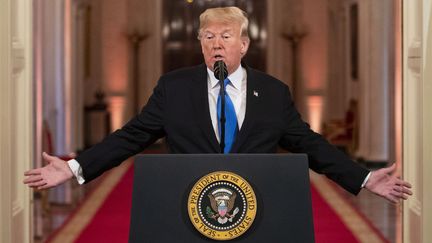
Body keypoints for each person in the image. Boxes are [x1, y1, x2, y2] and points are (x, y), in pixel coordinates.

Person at [24, 6, 412, 203]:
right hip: (189, 201)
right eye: (207, 37)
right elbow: (132, 136)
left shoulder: (273, 92)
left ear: (243, 44)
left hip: (256, 202)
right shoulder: (173, 88)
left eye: (225, 36)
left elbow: (309, 144)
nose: (215, 44)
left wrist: (362, 178)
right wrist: (74, 168)